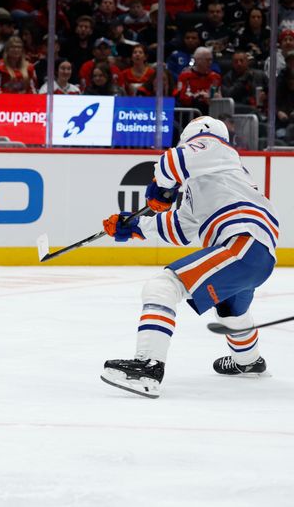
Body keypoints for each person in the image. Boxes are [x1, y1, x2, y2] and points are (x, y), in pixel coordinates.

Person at [100, 116, 278, 398]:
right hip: (253, 254)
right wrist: (134, 225)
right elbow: (180, 228)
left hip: (242, 244)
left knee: (163, 286)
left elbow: (171, 163)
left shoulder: (215, 147)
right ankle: (249, 361)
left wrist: (160, 187)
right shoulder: (213, 180)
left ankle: (148, 367)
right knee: (232, 311)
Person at [176, 46, 221, 113]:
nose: (210, 62)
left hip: (211, 110)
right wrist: (198, 96)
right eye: (207, 60)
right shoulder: (185, 76)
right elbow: (182, 97)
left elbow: (218, 95)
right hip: (191, 110)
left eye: (211, 60)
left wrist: (215, 97)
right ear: (197, 60)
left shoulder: (215, 77)